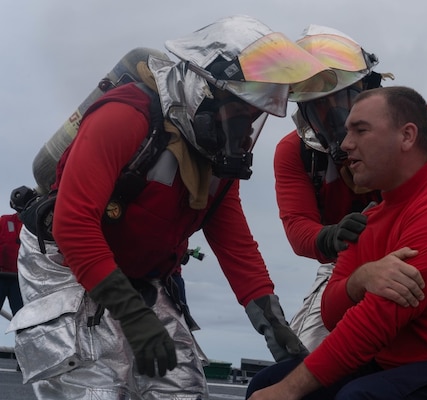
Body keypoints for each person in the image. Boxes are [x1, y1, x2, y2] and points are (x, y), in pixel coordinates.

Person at [7, 15, 337, 399]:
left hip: (141, 272)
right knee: (97, 387)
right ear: (203, 91)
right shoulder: (124, 117)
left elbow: (236, 247)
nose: (247, 133)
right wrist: (132, 316)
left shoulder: (217, 162)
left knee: (181, 389)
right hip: (64, 263)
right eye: (240, 114)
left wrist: (270, 320)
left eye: (254, 118)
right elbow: (73, 225)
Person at [247, 86, 427, 399]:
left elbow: (375, 323)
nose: (345, 144)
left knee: (358, 397)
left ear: (407, 137)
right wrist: (359, 280)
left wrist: (287, 392)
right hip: (405, 366)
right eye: (347, 132)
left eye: (360, 130)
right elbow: (332, 314)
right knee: (266, 383)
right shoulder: (371, 219)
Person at [277, 25, 427, 351]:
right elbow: (297, 227)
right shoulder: (294, 152)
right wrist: (332, 237)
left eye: (343, 98)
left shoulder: (417, 122)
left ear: (369, 89)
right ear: (303, 112)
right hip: (345, 265)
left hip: (422, 253)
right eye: (318, 105)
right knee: (304, 362)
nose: (334, 116)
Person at [0, 212, 23, 315]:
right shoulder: (5, 221)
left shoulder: (34, 226)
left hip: (21, 281)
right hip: (2, 275)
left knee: (23, 320)